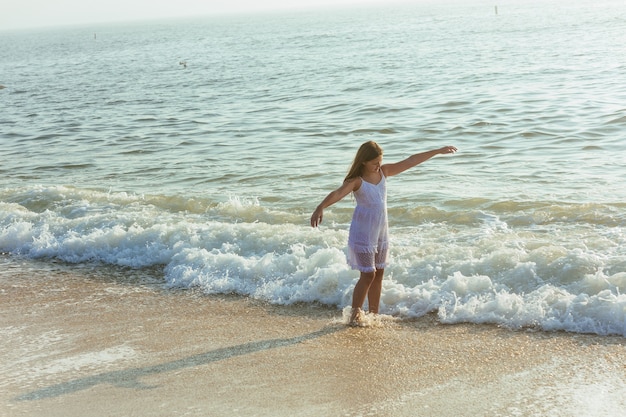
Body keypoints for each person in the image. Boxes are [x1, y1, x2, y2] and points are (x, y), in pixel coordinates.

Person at [310, 141, 457, 326]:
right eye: (374, 163)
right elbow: (338, 193)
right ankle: (354, 315)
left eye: (380, 161)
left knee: (379, 273)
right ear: (363, 162)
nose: (378, 165)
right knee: (368, 274)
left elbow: (411, 161)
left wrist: (437, 151)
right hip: (363, 234)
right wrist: (320, 207)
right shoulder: (356, 181)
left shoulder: (384, 172)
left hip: (380, 233)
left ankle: (373, 314)